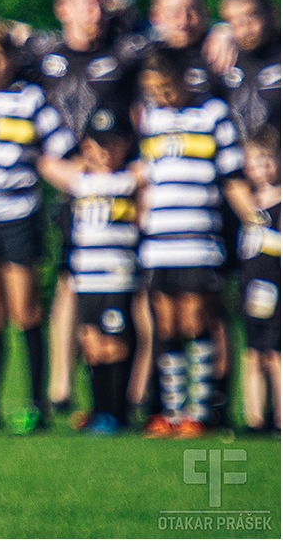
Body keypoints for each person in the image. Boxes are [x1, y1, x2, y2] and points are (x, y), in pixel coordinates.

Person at [19, 0, 148, 418]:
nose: (95, 12)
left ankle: (130, 396)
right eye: (84, 3)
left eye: (100, 4)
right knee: (68, 284)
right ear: (63, 8)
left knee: (127, 289)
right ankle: (60, 388)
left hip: (114, 188)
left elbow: (165, 53)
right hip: (67, 186)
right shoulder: (42, 52)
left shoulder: (124, 51)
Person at [0, 21, 77, 434]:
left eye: (1, 56)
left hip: (19, 215)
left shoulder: (31, 99)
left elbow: (59, 149)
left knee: (25, 312)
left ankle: (36, 404)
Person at [135, 48, 255, 437]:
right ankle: (171, 411)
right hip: (158, 242)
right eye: (153, 89)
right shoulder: (150, 118)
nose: (162, 96)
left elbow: (231, 175)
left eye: (167, 87)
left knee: (195, 322)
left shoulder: (213, 114)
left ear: (186, 78)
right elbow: (146, 179)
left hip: (198, 238)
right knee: (165, 326)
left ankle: (200, 412)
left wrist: (256, 219)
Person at [55, 107, 141, 435]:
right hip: (85, 276)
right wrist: (82, 159)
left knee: (114, 343)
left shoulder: (129, 179)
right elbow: (46, 162)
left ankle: (115, 412)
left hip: (117, 275)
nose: (105, 152)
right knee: (90, 343)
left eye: (113, 144)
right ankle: (97, 409)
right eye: (97, 144)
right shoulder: (79, 182)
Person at [238, 125, 281, 433]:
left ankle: (280, 418)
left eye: (266, 160)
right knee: (252, 353)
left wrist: (264, 238)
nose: (259, 169)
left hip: (276, 288)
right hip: (251, 288)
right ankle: (254, 419)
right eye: (252, 162)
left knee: (276, 355)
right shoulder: (249, 205)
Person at [215, 0, 281, 139]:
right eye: (234, 21)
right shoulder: (222, 58)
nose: (244, 30)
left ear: (272, 11)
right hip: (237, 160)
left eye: (251, 17)